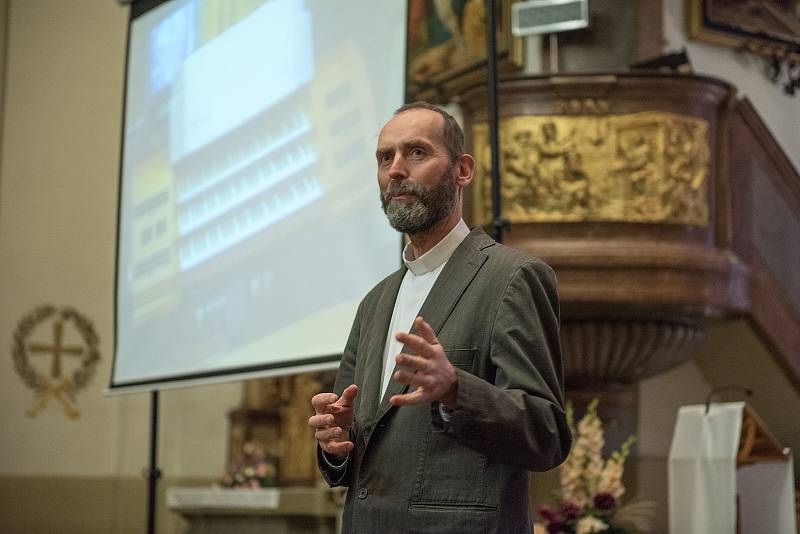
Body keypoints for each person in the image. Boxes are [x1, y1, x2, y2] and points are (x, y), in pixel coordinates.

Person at [308, 102, 571, 533]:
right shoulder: (375, 302)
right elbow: (358, 447)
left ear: (462, 170)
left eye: (416, 153)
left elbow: (547, 435)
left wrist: (455, 389)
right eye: (384, 158)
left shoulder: (511, 277)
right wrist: (336, 445)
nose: (395, 170)